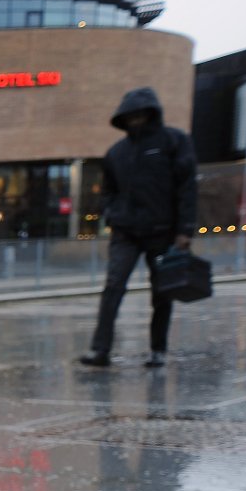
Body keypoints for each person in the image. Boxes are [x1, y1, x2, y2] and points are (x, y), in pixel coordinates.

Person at [81, 87, 199, 369]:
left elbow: (187, 188)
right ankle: (100, 350)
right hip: (125, 231)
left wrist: (185, 230)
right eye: (129, 115)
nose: (134, 120)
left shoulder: (174, 141)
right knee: (113, 287)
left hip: (163, 231)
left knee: (162, 291)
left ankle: (158, 349)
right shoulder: (116, 153)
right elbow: (108, 190)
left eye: (139, 114)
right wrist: (110, 213)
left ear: (150, 113)